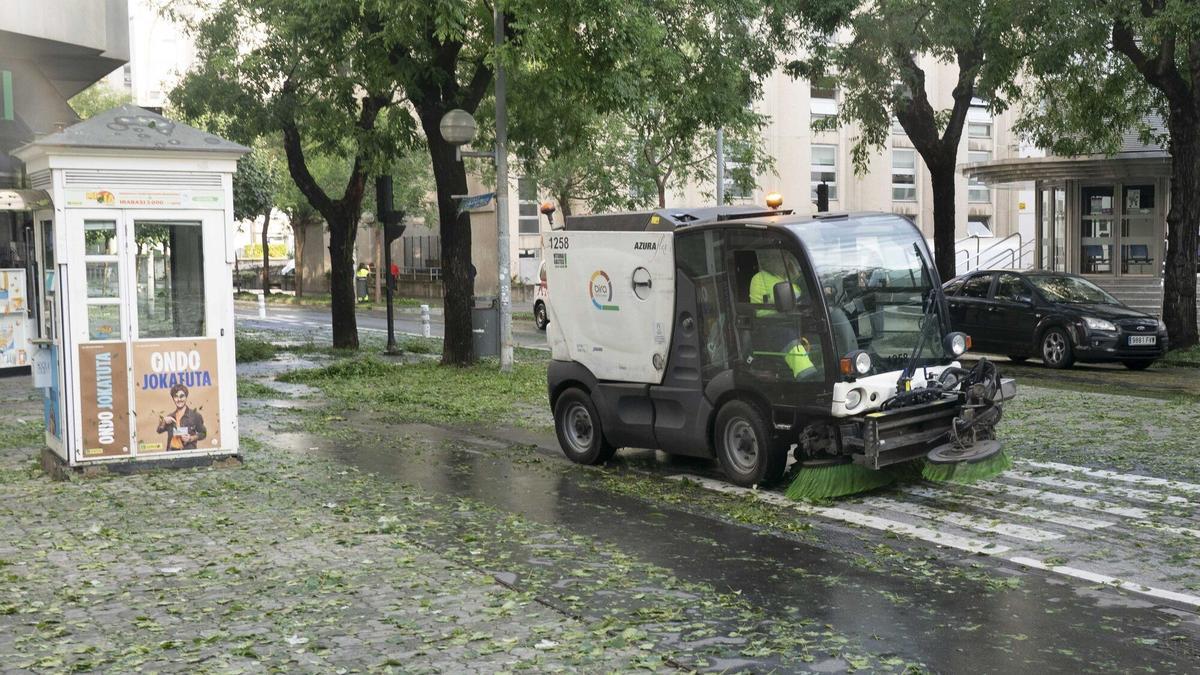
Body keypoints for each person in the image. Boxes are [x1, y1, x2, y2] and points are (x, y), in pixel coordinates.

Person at [748, 251, 816, 378]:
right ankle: (807, 374)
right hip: (770, 327)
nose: (787, 261)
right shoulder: (760, 277)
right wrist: (796, 274)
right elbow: (795, 294)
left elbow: (796, 286)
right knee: (790, 340)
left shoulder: (781, 277)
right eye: (785, 259)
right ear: (773, 260)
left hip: (788, 320)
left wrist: (795, 271)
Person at [156, 384, 206, 451]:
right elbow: (159, 431)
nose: (179, 399)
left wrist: (191, 438)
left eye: (182, 396)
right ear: (173, 398)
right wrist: (164, 422)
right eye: (176, 397)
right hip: (171, 454)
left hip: (188, 454)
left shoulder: (195, 415)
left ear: (186, 397)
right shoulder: (170, 416)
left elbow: (203, 433)